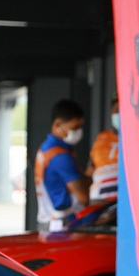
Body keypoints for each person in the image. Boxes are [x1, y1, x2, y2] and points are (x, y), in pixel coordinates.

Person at [34, 99, 87, 231]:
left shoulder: (45, 149)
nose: (79, 132)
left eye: (81, 127)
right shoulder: (61, 156)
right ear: (58, 124)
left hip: (47, 220)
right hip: (62, 225)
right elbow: (84, 197)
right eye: (75, 128)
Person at [89, 95, 120, 202]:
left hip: (122, 198)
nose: (119, 113)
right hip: (99, 198)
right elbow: (90, 169)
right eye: (117, 110)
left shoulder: (138, 137)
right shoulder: (101, 138)